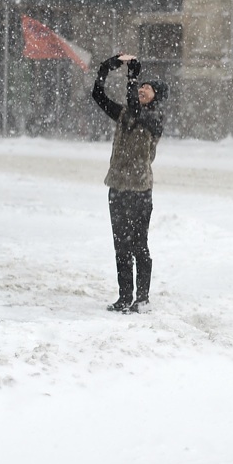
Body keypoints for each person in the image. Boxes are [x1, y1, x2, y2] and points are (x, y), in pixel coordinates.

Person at [92, 54, 168, 314]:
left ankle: (142, 299)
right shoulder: (126, 112)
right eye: (142, 86)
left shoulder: (155, 119)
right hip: (117, 187)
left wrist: (132, 76)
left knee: (138, 245)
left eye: (149, 88)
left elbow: (136, 110)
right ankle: (125, 297)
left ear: (157, 97)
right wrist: (105, 69)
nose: (143, 89)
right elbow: (97, 95)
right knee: (121, 246)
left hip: (140, 190)